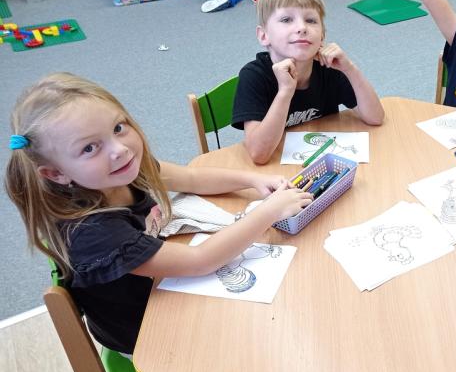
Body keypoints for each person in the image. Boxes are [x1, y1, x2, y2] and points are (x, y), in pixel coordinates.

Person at [5, 73, 313, 355]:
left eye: (118, 128)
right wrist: (269, 211)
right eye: (89, 148)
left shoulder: (121, 169)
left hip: (159, 289)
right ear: (56, 173)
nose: (120, 149)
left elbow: (192, 178)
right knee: (269, 334)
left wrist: (253, 180)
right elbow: (200, 261)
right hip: (143, 333)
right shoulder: (93, 233)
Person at [231, 0, 385, 164]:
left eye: (311, 20)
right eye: (286, 20)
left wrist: (350, 69)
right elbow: (259, 154)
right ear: (264, 36)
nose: (302, 28)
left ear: (322, 35)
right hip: (277, 170)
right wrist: (285, 92)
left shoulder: (329, 66)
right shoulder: (254, 76)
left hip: (321, 161)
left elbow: (375, 117)